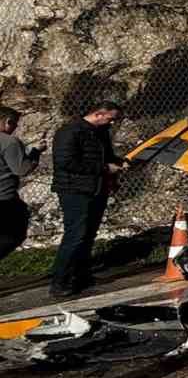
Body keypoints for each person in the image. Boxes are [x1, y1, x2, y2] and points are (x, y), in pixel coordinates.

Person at [49, 100, 127, 299]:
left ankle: (80, 275)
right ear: (99, 114)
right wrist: (104, 169)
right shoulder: (70, 131)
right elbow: (65, 162)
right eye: (110, 119)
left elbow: (105, 156)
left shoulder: (100, 133)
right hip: (75, 190)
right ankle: (60, 281)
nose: (112, 124)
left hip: (96, 188)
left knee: (88, 234)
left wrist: (118, 162)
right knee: (76, 235)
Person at [0, 105, 43, 262]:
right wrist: (36, 152)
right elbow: (21, 169)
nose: (16, 127)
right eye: (15, 123)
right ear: (7, 121)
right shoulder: (9, 142)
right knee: (15, 234)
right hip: (4, 198)